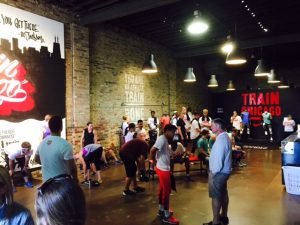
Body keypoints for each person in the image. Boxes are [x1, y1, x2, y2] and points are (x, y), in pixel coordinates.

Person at [203, 118, 231, 225]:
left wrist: (213, 173)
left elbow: (219, 159)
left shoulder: (221, 140)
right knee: (223, 193)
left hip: (218, 173)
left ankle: (216, 221)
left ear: (218, 127)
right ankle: (223, 217)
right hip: (223, 172)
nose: (211, 127)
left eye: (213, 125)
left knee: (216, 196)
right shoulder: (224, 137)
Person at [150, 124, 179, 225]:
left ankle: (161, 209)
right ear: (167, 131)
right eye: (173, 132)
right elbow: (152, 150)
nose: (174, 134)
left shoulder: (165, 140)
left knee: (162, 190)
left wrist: (174, 153)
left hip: (163, 168)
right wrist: (152, 162)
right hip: (163, 169)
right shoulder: (162, 139)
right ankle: (166, 216)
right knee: (166, 192)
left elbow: (165, 151)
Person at [35, 116, 78, 182]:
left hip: (46, 184)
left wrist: (49, 164)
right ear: (61, 128)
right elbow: (72, 168)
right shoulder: (65, 144)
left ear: (49, 127)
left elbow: (36, 159)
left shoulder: (42, 143)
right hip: (62, 183)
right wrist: (76, 181)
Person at [119, 131, 149, 196]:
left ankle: (135, 186)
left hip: (125, 153)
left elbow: (138, 159)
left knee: (133, 169)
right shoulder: (144, 144)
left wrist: (140, 171)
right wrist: (143, 172)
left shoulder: (139, 143)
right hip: (126, 154)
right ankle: (126, 190)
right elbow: (142, 159)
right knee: (130, 172)